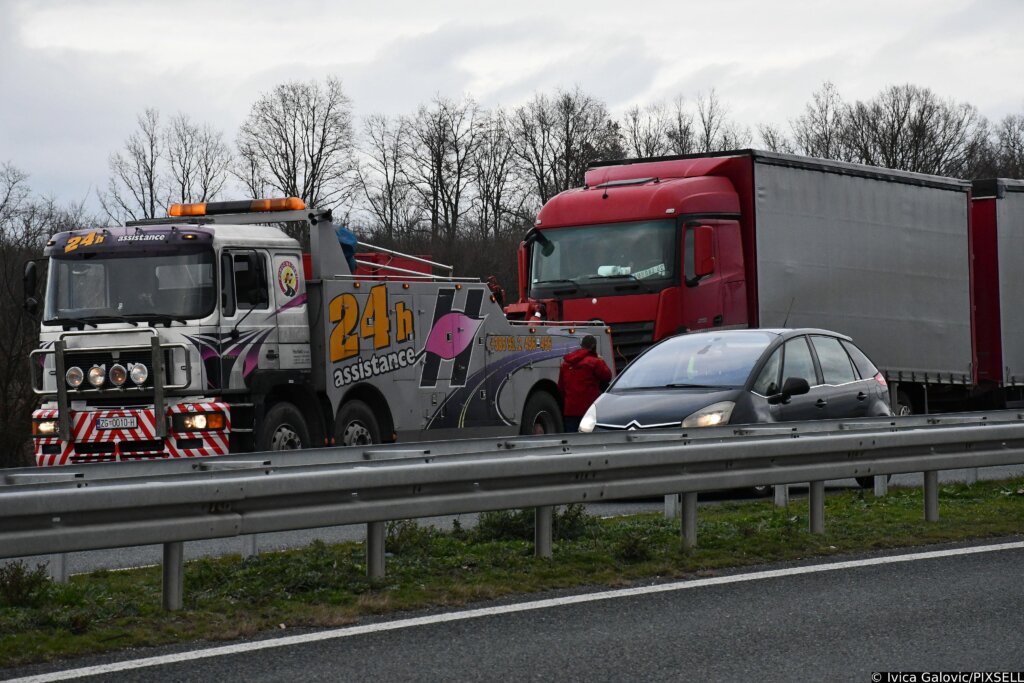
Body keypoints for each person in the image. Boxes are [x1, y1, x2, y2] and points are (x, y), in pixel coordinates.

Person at [557, 335, 612, 432]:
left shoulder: (565, 364)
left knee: (572, 441)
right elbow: (607, 376)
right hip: (589, 410)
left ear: (581, 345)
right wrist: (602, 361)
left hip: (570, 410)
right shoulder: (595, 362)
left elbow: (561, 388)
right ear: (593, 346)